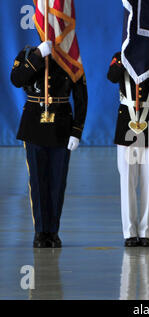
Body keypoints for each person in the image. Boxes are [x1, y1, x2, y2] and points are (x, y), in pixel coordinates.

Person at [10, 40, 88, 248]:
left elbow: (81, 96)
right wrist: (37, 56)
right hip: (34, 126)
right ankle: (40, 232)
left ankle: (53, 232)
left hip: (62, 126)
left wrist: (77, 130)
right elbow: (16, 79)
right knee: (38, 181)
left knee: (57, 182)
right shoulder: (27, 54)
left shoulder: (70, 58)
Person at [107, 52, 149, 247]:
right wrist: (124, 59)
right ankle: (129, 232)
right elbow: (112, 77)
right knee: (127, 181)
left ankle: (145, 232)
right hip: (126, 122)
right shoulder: (120, 56)